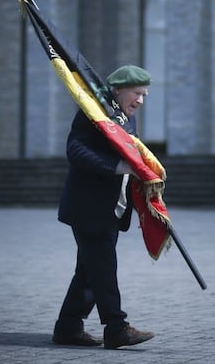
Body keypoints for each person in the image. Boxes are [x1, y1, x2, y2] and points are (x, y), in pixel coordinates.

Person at [52, 64, 156, 350]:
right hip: (90, 207)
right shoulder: (94, 112)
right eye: (137, 93)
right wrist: (117, 166)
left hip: (111, 209)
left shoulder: (124, 117)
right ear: (118, 89)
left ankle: (68, 328)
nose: (140, 101)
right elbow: (76, 150)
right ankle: (116, 327)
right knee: (103, 267)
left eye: (145, 95)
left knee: (89, 270)